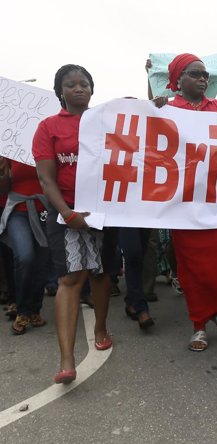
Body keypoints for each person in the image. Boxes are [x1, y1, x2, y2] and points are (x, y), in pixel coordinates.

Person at [153, 53, 217, 351]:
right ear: (178, 80)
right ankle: (200, 325)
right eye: (195, 74)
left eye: (205, 75)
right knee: (194, 270)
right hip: (184, 205)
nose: (203, 79)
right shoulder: (166, 109)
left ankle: (215, 309)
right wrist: (152, 112)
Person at [33, 64, 118, 384]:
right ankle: (66, 360)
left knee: (100, 274)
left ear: (92, 90)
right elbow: (45, 178)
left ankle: (100, 327)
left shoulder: (108, 123)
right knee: (70, 278)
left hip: (105, 212)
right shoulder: (48, 127)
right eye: (71, 85)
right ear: (61, 92)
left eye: (84, 84)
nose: (79, 89)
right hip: (65, 212)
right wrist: (67, 213)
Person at [0, 158, 51, 334]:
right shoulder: (11, 146)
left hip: (44, 210)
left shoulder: (46, 144)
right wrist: (2, 174)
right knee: (24, 257)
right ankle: (22, 312)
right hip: (18, 212)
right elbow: (3, 190)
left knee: (41, 263)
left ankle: (35, 310)